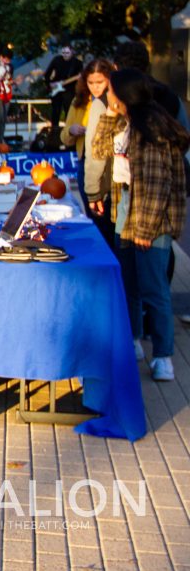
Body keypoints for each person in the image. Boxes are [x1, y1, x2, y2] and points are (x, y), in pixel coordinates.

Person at [89, 69, 188, 381]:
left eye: (111, 91)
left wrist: (145, 230)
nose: (106, 94)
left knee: (153, 287)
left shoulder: (152, 130)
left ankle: (163, 356)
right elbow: (99, 149)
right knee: (129, 282)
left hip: (150, 217)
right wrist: (108, 114)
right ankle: (133, 340)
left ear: (125, 95)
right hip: (124, 210)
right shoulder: (123, 122)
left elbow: (157, 186)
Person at [63, 58, 116, 245]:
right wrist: (71, 130)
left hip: (110, 166)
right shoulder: (79, 102)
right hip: (85, 162)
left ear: (109, 78)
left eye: (99, 82)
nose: (95, 87)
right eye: (90, 82)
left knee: (109, 221)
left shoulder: (115, 101)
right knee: (95, 217)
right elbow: (64, 136)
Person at [44, 44, 83, 125]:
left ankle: (67, 131)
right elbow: (47, 74)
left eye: (67, 53)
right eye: (63, 52)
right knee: (55, 112)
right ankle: (54, 131)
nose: (65, 55)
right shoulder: (57, 60)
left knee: (68, 111)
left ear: (72, 52)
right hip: (56, 90)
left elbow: (81, 77)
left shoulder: (77, 63)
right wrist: (49, 84)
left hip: (70, 90)